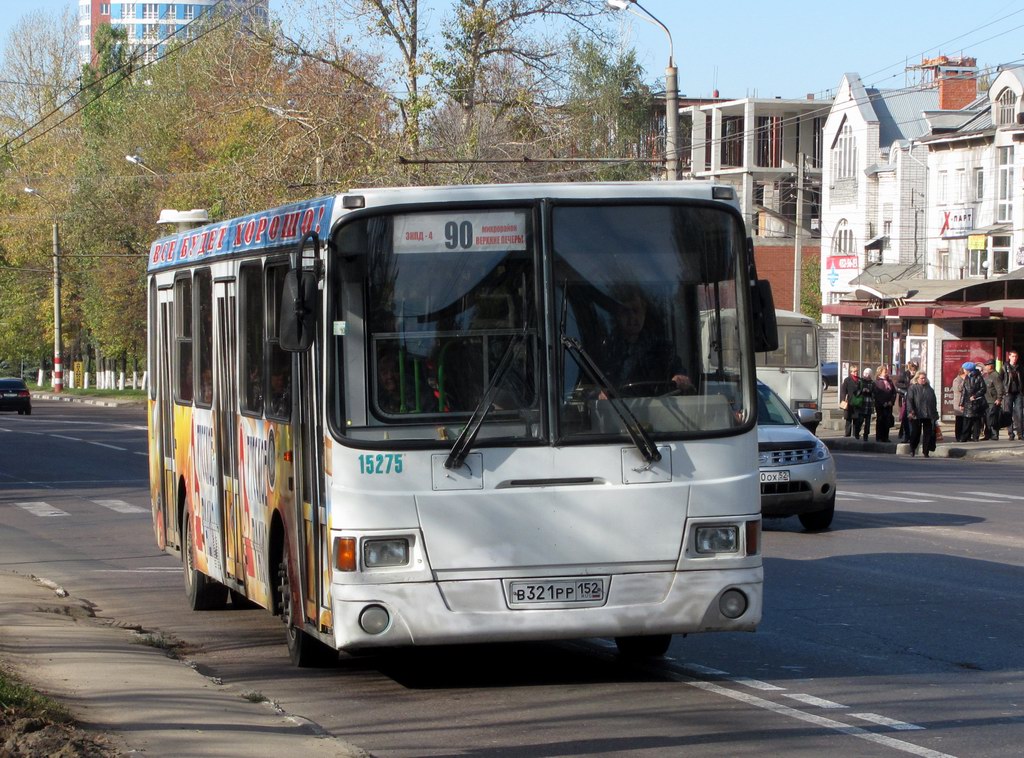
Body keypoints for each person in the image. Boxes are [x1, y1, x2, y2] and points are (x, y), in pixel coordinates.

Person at [600, 291, 691, 396]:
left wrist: (681, 378)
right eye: (625, 311)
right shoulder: (606, 349)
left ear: (644, 312)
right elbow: (589, 385)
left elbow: (680, 373)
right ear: (617, 315)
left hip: (656, 409)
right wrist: (599, 392)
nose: (632, 317)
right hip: (613, 409)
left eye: (636, 310)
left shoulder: (662, 348)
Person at [906, 370, 939, 457]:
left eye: (924, 378)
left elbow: (933, 402)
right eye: (922, 378)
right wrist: (910, 411)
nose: (923, 380)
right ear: (917, 379)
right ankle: (912, 448)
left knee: (928, 433)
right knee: (916, 432)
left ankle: (926, 451)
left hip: (928, 414)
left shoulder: (929, 389)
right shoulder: (913, 388)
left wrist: (935, 414)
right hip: (916, 414)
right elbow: (909, 400)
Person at [959, 362, 987, 442]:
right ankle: (964, 437)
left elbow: (983, 389)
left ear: (968, 370)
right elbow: (964, 391)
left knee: (976, 420)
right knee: (967, 420)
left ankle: (975, 437)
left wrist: (975, 396)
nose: (963, 370)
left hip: (976, 402)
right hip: (968, 402)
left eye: (964, 369)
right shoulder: (967, 378)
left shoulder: (978, 377)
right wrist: (961, 403)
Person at [999, 350, 1022, 441]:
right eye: (1013, 356)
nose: (1014, 358)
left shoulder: (1020, 367)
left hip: (1018, 393)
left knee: (1019, 413)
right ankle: (1010, 433)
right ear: (1009, 357)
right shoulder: (1004, 367)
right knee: (1008, 413)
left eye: (1016, 356)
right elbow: (1000, 380)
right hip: (1008, 393)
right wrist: (1003, 392)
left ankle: (1020, 433)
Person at [982, 358, 1006, 440]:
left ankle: (994, 435)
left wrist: (999, 399)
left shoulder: (995, 375)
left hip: (993, 401)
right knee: (987, 418)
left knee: (993, 418)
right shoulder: (988, 375)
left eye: (986, 365)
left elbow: (1000, 388)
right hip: (987, 400)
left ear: (991, 366)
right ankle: (987, 435)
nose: (985, 367)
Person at [895, 360, 918, 442]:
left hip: (915, 399)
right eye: (912, 369)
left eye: (915, 369)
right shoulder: (904, 374)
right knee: (905, 417)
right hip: (905, 398)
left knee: (911, 419)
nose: (913, 371)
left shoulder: (917, 376)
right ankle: (905, 435)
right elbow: (897, 384)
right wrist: (906, 387)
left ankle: (909, 436)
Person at [872, 365, 896, 442]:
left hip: (889, 405)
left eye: (887, 372)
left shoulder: (890, 382)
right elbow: (876, 394)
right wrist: (883, 402)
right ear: (880, 373)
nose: (886, 373)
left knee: (887, 420)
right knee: (880, 420)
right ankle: (879, 437)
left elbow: (894, 393)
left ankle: (886, 437)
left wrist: (891, 401)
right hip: (880, 405)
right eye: (885, 372)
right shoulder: (876, 382)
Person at [841, 365, 863, 438]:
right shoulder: (847, 380)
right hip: (850, 402)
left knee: (856, 419)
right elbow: (843, 391)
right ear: (851, 372)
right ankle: (847, 434)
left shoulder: (859, 380)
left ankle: (855, 433)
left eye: (856, 371)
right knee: (848, 419)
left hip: (857, 402)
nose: (856, 373)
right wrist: (843, 400)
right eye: (854, 371)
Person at [856, 367, 875, 441]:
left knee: (868, 422)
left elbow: (874, 393)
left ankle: (866, 435)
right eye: (865, 373)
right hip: (862, 404)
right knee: (860, 420)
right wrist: (862, 391)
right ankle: (857, 432)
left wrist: (869, 392)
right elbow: (856, 392)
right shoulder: (860, 381)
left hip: (869, 404)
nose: (866, 375)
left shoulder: (872, 383)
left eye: (868, 374)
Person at [951, 365, 967, 442]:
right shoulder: (957, 380)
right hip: (958, 403)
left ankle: (964, 436)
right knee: (959, 421)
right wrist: (964, 381)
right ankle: (958, 436)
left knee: (965, 421)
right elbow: (958, 389)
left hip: (965, 403)